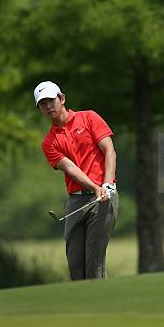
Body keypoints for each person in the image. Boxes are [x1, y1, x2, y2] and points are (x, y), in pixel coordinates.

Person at [34, 80, 118, 280]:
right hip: (76, 200)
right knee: (75, 263)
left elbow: (109, 151)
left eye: (50, 100)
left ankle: (101, 307)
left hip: (104, 196)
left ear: (61, 98)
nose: (47, 106)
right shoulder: (49, 142)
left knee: (94, 263)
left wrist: (106, 184)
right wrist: (94, 187)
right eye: (42, 104)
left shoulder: (89, 118)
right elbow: (71, 168)